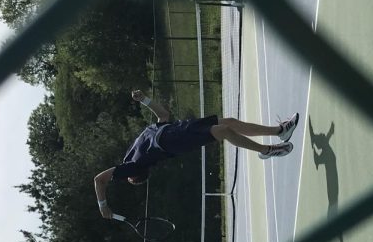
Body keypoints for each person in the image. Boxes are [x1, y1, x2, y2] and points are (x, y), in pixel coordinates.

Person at [95, 90, 298, 219]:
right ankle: (268, 150)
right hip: (174, 141)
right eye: (130, 179)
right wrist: (103, 206)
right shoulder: (134, 166)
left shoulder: (136, 147)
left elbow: (163, 115)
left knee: (229, 122)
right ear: (134, 176)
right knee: (224, 131)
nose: (128, 178)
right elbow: (99, 180)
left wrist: (145, 99)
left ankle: (280, 131)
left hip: (178, 128)